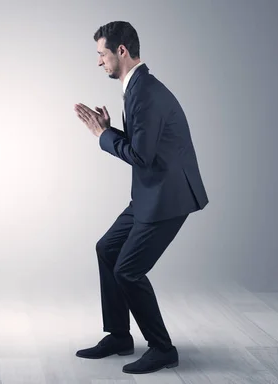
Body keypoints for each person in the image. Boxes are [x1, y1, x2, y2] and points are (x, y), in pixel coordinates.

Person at [73, 21, 208, 374]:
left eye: (101, 54)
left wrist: (102, 136)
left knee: (128, 270)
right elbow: (144, 146)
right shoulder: (137, 86)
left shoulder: (144, 92)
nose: (98, 62)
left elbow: (142, 156)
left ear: (120, 51)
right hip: (151, 191)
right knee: (107, 249)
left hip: (168, 197)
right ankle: (119, 336)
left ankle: (163, 349)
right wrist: (111, 131)